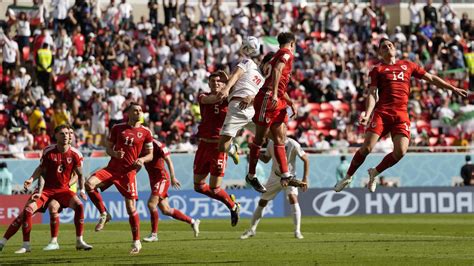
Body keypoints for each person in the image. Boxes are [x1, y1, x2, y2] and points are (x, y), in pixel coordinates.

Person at [335, 38, 467, 193]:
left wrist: (452, 88)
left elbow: (430, 78)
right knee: (367, 148)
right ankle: (348, 176)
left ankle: (375, 172)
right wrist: (368, 113)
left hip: (401, 115)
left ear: (394, 49)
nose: (388, 47)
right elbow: (372, 94)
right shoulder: (377, 70)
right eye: (384, 47)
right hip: (382, 113)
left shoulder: (407, 65)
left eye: (390, 45)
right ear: (380, 53)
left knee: (401, 151)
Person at [0, 125, 91, 253]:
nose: (66, 136)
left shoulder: (76, 154)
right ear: (55, 136)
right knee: (26, 212)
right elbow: (42, 171)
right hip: (46, 190)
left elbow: (79, 174)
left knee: (77, 206)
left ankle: (76, 240)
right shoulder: (48, 151)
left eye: (68, 133)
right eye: (62, 133)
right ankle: (20, 244)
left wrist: (81, 190)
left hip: (63, 190)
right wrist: (33, 181)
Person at [85, 103, 153, 254]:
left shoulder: (146, 132)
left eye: (140, 110)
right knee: (89, 184)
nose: (139, 112)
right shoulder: (117, 128)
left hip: (128, 173)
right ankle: (104, 213)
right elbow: (108, 148)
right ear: (128, 113)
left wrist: (142, 160)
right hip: (112, 169)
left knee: (130, 208)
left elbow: (150, 155)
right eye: (135, 110)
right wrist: (114, 154)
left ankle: (136, 242)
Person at [246, 32, 305, 192]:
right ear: (292, 43)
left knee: (280, 138)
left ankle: (286, 174)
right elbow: (277, 71)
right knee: (260, 138)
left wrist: (290, 102)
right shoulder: (286, 54)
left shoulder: (277, 55)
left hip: (276, 99)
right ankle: (251, 176)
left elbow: (279, 82)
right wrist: (274, 93)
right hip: (267, 97)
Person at [193, 71, 240, 227]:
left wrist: (229, 82)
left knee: (214, 188)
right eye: (213, 81)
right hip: (203, 146)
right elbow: (213, 98)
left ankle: (232, 206)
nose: (216, 84)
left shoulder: (230, 98)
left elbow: (238, 92)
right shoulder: (203, 96)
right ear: (209, 84)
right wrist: (227, 84)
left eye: (219, 82)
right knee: (198, 186)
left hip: (218, 146)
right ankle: (232, 204)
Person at [217, 36, 273, 168]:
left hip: (253, 111)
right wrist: (226, 88)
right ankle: (233, 149)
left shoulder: (266, 82)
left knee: (275, 136)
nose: (269, 70)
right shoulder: (249, 63)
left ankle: (281, 169)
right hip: (237, 108)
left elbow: (263, 97)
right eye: (269, 66)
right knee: (222, 146)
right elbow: (235, 75)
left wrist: (252, 98)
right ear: (264, 62)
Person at [241, 135, 309, 240]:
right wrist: (255, 151)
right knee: (262, 202)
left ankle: (297, 231)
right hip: (275, 177)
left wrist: (305, 179)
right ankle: (252, 230)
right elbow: (266, 159)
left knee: (293, 198)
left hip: (289, 177)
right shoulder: (271, 143)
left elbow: (306, 159)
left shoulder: (293, 144)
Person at [142, 139, 200, 242]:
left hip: (161, 178)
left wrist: (173, 177)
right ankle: (192, 222)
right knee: (165, 210)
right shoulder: (139, 145)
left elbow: (169, 160)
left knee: (151, 204)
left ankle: (154, 234)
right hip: (153, 180)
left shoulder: (158, 145)